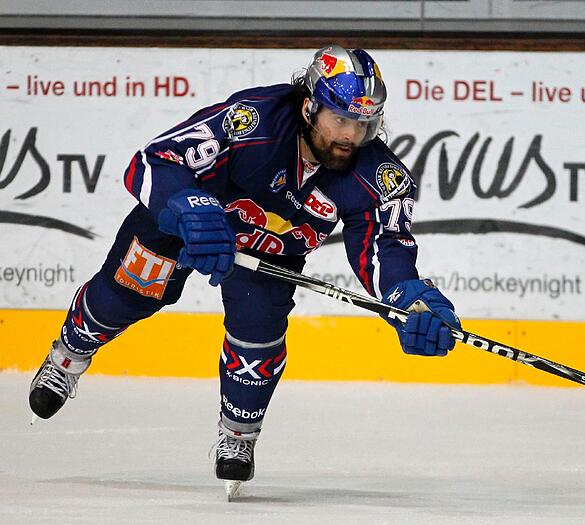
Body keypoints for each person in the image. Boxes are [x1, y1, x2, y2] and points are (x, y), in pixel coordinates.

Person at [28, 45, 461, 486]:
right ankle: (69, 354)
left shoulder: (380, 177)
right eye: (341, 119)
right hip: (189, 222)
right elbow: (156, 158)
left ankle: (238, 434)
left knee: (258, 328)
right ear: (310, 107)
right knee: (124, 293)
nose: (352, 135)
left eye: (364, 123)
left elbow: (384, 248)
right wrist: (190, 208)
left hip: (267, 253)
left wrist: (410, 297)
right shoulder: (253, 120)